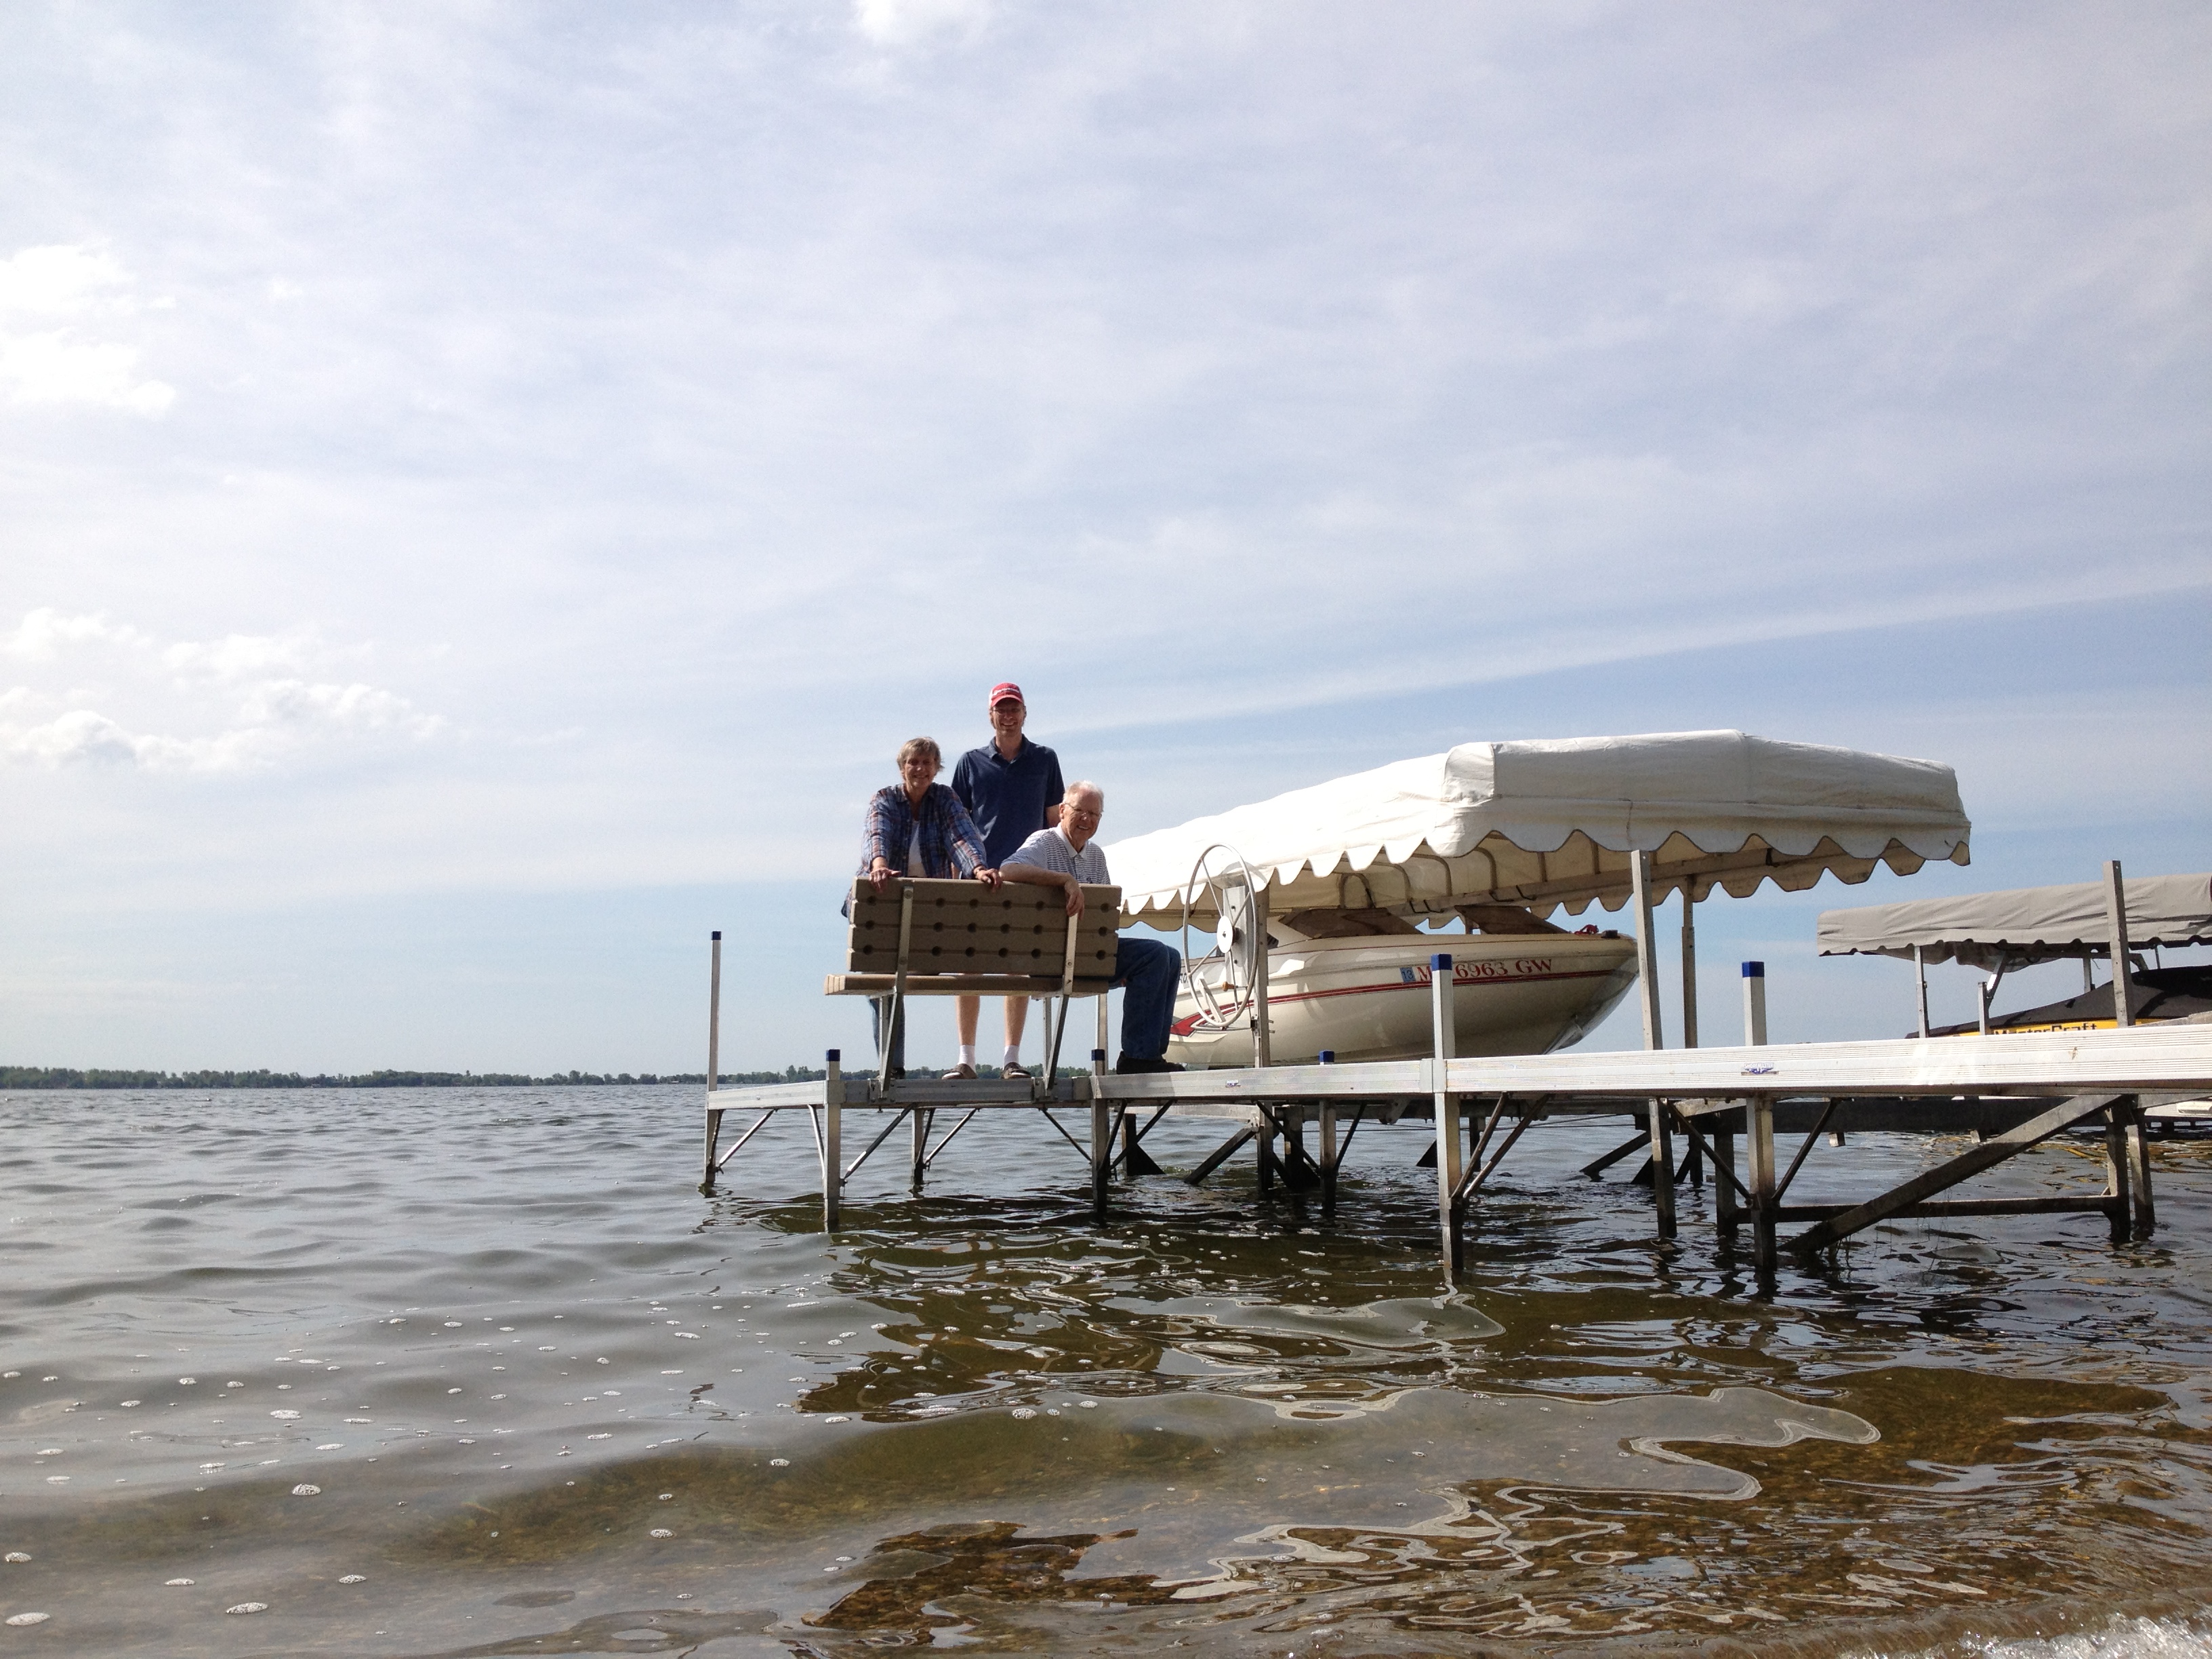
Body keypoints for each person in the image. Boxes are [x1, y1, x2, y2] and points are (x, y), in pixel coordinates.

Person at [999, 780, 1183, 1073]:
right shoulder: (1044, 842)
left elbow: (1104, 917)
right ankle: (1137, 1058)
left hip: (1088, 955)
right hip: (1053, 958)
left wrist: (1109, 948)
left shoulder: (1096, 855)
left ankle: (1148, 1057)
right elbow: (1008, 869)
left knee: (1170, 957)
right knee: (1156, 955)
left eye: (1094, 814)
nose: (1087, 819)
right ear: (1062, 811)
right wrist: (1063, 880)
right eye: (1079, 811)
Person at [855, 737, 1001, 1076]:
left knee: (895, 976)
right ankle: (893, 1069)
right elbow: (877, 834)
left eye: (927, 763)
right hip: (884, 905)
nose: (920, 769)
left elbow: (962, 836)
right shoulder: (885, 799)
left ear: (937, 769)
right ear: (902, 768)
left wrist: (977, 868)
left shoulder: (945, 799)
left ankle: (897, 1068)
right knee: (882, 980)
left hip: (927, 915)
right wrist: (879, 865)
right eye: (913, 763)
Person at [948, 682, 1063, 1081]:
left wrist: (1054, 874)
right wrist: (958, 881)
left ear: (1025, 714)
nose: (1009, 716)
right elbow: (957, 825)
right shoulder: (970, 762)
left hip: (1028, 877)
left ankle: (1011, 1060)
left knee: (1018, 968)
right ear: (991, 715)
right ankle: (966, 1060)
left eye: (1014, 709)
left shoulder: (1045, 759)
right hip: (978, 877)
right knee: (969, 967)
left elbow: (1054, 823)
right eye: (1002, 709)